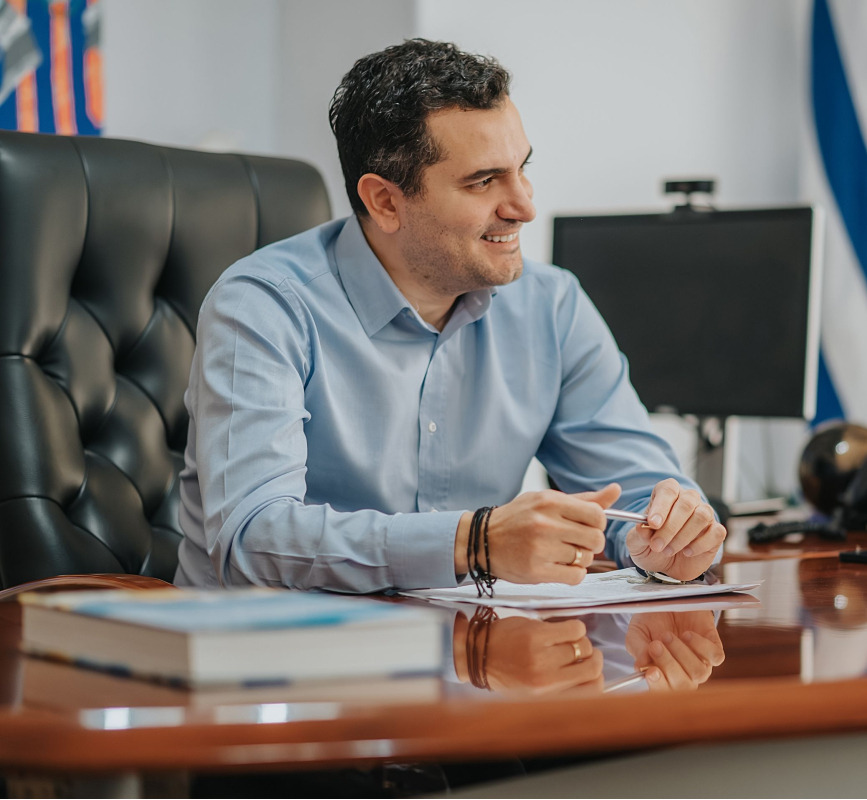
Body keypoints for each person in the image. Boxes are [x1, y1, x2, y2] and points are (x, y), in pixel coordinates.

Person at [174, 38, 726, 598]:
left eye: (522, 169)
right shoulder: (264, 305)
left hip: (469, 642)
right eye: (483, 181)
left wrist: (670, 538)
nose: (524, 206)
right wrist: (474, 541)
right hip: (277, 645)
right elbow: (252, 540)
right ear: (385, 202)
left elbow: (638, 493)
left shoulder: (552, 305)